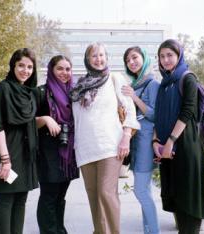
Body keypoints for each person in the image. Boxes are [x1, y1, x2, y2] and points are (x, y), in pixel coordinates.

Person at [70, 42, 139, 234]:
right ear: (87, 60)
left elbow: (130, 111)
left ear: (107, 58)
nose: (98, 59)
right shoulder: (79, 87)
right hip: (85, 149)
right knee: (93, 196)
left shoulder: (115, 78)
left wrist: (126, 137)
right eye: (94, 56)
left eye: (101, 55)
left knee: (106, 193)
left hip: (110, 146)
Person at [153, 39, 204, 234]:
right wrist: (155, 141)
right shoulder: (165, 83)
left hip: (185, 145)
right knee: (177, 199)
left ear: (179, 56)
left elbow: (187, 112)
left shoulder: (188, 78)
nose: (166, 60)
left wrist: (170, 141)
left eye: (170, 55)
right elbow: (158, 114)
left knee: (189, 201)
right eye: (162, 56)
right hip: (169, 147)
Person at [0, 48, 38, 234]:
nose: (25, 70)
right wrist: (5, 159)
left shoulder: (29, 93)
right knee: (6, 199)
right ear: (13, 66)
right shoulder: (4, 89)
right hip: (7, 151)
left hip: (25, 153)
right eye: (21, 65)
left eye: (30, 67)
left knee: (21, 199)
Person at [35, 55, 79, 234]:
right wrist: (45, 119)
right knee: (49, 196)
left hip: (68, 153)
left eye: (68, 69)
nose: (64, 73)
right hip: (47, 153)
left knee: (61, 196)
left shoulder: (74, 93)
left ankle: (60, 230)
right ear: (51, 70)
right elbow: (28, 121)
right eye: (60, 68)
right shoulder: (40, 92)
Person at [122, 46, 160, 234]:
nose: (131, 62)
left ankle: (153, 231)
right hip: (136, 143)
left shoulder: (152, 84)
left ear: (143, 58)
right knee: (145, 191)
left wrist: (134, 98)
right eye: (128, 60)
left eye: (135, 57)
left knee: (141, 192)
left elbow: (154, 115)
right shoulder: (135, 84)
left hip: (146, 144)